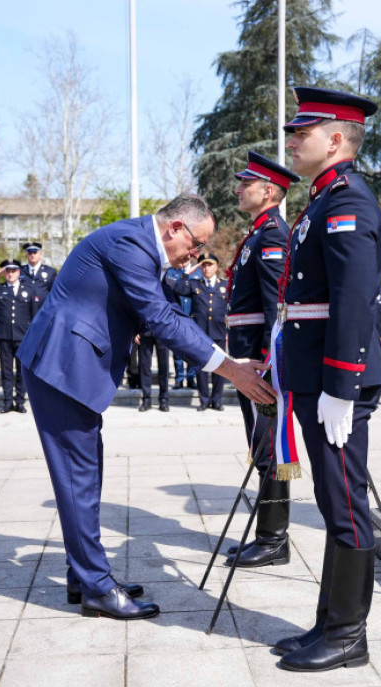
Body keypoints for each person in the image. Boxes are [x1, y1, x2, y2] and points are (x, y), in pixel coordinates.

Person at [16, 194, 275, 621]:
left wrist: (224, 355)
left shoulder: (138, 243)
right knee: (77, 476)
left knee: (84, 473)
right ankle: (96, 587)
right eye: (196, 244)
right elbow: (161, 318)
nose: (197, 254)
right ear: (175, 227)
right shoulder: (131, 244)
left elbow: (160, 310)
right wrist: (230, 370)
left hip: (71, 365)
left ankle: (86, 576)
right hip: (62, 366)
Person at [273, 87, 381, 673]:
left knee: (344, 503)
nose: (292, 141)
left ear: (336, 140)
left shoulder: (348, 204)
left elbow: (351, 302)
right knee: (329, 498)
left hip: (336, 382)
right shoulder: (321, 203)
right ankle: (329, 621)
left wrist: (342, 386)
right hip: (316, 377)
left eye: (303, 133)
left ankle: (348, 635)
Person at [222, 150, 299, 568]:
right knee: (260, 446)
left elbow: (276, 306)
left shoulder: (271, 235)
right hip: (248, 357)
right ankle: (268, 536)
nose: (239, 188)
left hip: (261, 361)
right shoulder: (258, 233)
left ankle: (273, 539)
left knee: (270, 449)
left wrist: (271, 361)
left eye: (246, 184)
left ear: (268, 191)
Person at [0, 260, 42, 413]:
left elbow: (35, 316)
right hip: (4, 337)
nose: (10, 274)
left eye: (13, 271)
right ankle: (7, 401)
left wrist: (34, 337)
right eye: (7, 271)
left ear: (19, 272)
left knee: (21, 371)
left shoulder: (29, 290)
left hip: (23, 337)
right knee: (6, 370)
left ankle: (19, 401)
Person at [172, 252, 228, 411]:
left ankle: (216, 400)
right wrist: (187, 272)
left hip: (219, 332)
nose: (206, 268)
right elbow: (178, 289)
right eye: (203, 265)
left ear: (216, 266)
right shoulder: (194, 284)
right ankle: (204, 400)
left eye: (209, 265)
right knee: (202, 367)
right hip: (201, 334)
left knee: (221, 368)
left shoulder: (224, 285)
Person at [135, 327, 170, 412]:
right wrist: (135, 331)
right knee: (145, 366)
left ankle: (164, 399)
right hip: (144, 331)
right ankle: (146, 399)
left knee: (164, 366)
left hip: (163, 331)